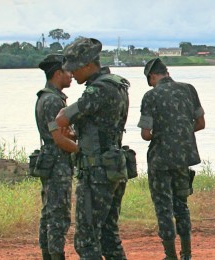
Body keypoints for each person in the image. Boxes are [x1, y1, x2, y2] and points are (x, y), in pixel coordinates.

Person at [53, 37, 131, 260]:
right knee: (108, 235)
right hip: (113, 166)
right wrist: (79, 134)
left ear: (88, 65)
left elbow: (61, 118)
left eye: (75, 69)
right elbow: (105, 128)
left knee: (86, 240)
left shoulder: (97, 90)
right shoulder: (117, 84)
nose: (72, 74)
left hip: (97, 172)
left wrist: (64, 125)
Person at [138, 58, 206, 260]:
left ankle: (171, 256)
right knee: (181, 206)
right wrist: (181, 134)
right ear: (166, 72)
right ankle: (187, 254)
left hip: (160, 159)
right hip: (183, 158)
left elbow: (145, 134)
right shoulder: (189, 89)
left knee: (163, 208)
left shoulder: (150, 96)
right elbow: (200, 123)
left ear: (152, 76)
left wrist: (165, 134)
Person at [34, 54, 74, 260]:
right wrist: (81, 150)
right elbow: (59, 138)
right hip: (58, 162)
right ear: (57, 73)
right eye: (68, 71)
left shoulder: (46, 96)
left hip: (51, 160)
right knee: (58, 214)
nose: (72, 76)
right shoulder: (52, 100)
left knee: (49, 212)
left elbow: (62, 133)